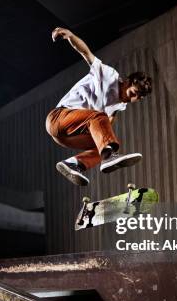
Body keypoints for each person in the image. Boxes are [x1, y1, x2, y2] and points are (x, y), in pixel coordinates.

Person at [46, 27, 153, 186]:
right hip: (58, 118)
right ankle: (108, 157)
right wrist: (69, 35)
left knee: (107, 144)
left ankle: (74, 164)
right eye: (133, 93)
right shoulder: (108, 75)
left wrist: (108, 145)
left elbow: (105, 128)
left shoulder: (119, 106)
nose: (132, 99)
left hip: (67, 136)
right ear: (127, 82)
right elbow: (86, 54)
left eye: (138, 98)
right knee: (99, 119)